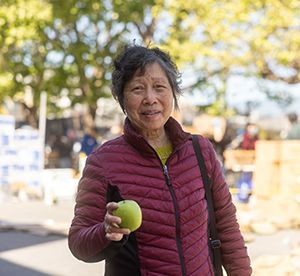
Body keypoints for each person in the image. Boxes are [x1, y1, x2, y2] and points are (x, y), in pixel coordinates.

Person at [68, 45, 252, 276]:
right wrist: (105, 231)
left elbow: (227, 229)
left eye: (159, 87)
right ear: (122, 99)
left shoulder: (200, 151)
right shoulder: (104, 162)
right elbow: (78, 242)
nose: (150, 98)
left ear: (173, 93)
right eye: (137, 88)